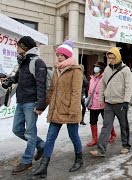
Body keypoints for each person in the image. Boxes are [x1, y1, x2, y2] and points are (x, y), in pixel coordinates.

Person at [31, 40, 84, 178]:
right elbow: (51, 90)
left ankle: (79, 159)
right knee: (50, 138)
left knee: (74, 136)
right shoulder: (56, 70)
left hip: (70, 110)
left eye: (61, 55)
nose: (59, 57)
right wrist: (42, 106)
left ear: (68, 56)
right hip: (56, 109)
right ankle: (43, 167)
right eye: (58, 55)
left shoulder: (76, 70)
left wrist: (73, 110)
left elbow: (76, 92)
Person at [1, 36, 46, 175]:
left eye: (19, 46)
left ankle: (27, 160)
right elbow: (17, 78)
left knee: (30, 133)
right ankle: (41, 145)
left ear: (26, 47)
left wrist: (40, 105)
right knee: (16, 129)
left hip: (31, 102)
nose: (17, 48)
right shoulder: (23, 61)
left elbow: (41, 85)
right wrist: (9, 81)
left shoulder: (37, 62)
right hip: (21, 101)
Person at [90, 47, 132, 157]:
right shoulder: (107, 70)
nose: (111, 60)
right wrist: (101, 99)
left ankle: (125, 145)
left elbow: (129, 87)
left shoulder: (125, 69)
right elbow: (103, 85)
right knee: (106, 125)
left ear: (118, 57)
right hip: (108, 102)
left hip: (121, 102)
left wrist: (126, 101)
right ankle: (101, 150)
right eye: (109, 58)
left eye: (113, 58)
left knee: (123, 125)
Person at [86, 62, 117, 147]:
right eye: (95, 67)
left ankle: (113, 134)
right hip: (92, 104)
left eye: (97, 67)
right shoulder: (92, 78)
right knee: (92, 121)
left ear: (101, 69)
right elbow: (90, 91)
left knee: (107, 121)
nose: (95, 69)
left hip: (102, 103)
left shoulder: (105, 78)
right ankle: (94, 139)